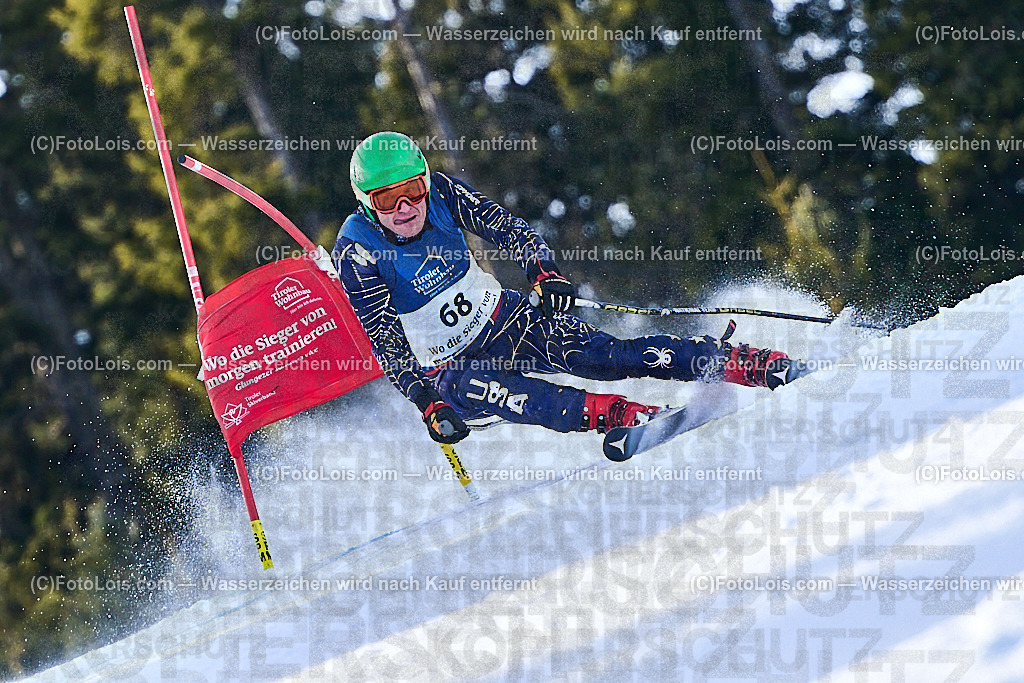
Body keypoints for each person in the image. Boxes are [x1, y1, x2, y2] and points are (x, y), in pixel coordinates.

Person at [333, 131, 802, 445]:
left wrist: (545, 273)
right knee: (509, 392)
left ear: (425, 181)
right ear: (367, 205)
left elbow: (509, 229)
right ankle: (624, 417)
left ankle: (743, 363)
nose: (406, 207)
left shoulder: (444, 195)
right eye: (386, 199)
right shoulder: (358, 253)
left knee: (607, 357)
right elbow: (387, 342)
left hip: (504, 319)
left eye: (413, 190)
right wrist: (428, 404)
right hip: (450, 371)